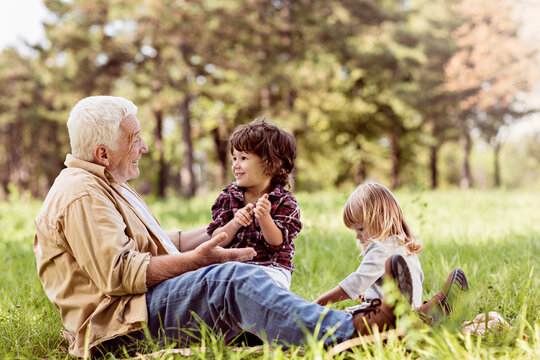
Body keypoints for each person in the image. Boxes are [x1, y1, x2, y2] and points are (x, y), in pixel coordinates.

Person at [34, 96, 414, 358]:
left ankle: (390, 318)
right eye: (134, 139)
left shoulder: (105, 184)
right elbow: (120, 273)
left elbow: (161, 243)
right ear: (103, 153)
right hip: (118, 330)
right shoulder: (82, 194)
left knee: (260, 307)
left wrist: (221, 229)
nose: (144, 148)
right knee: (233, 280)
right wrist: (199, 260)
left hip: (138, 310)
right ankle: (360, 334)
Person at [207, 117, 301, 289]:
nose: (235, 165)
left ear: (271, 165)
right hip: (232, 267)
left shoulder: (285, 202)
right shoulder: (228, 196)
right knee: (211, 283)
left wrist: (264, 217)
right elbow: (216, 240)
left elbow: (277, 241)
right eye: (234, 158)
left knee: (262, 291)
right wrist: (234, 223)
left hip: (270, 269)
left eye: (243, 158)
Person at [314, 182, 424, 308]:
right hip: (410, 313)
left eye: (360, 229)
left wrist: (319, 302)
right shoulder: (405, 248)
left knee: (335, 318)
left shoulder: (381, 248)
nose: (357, 236)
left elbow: (356, 283)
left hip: (382, 315)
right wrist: (370, 292)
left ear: (381, 218)